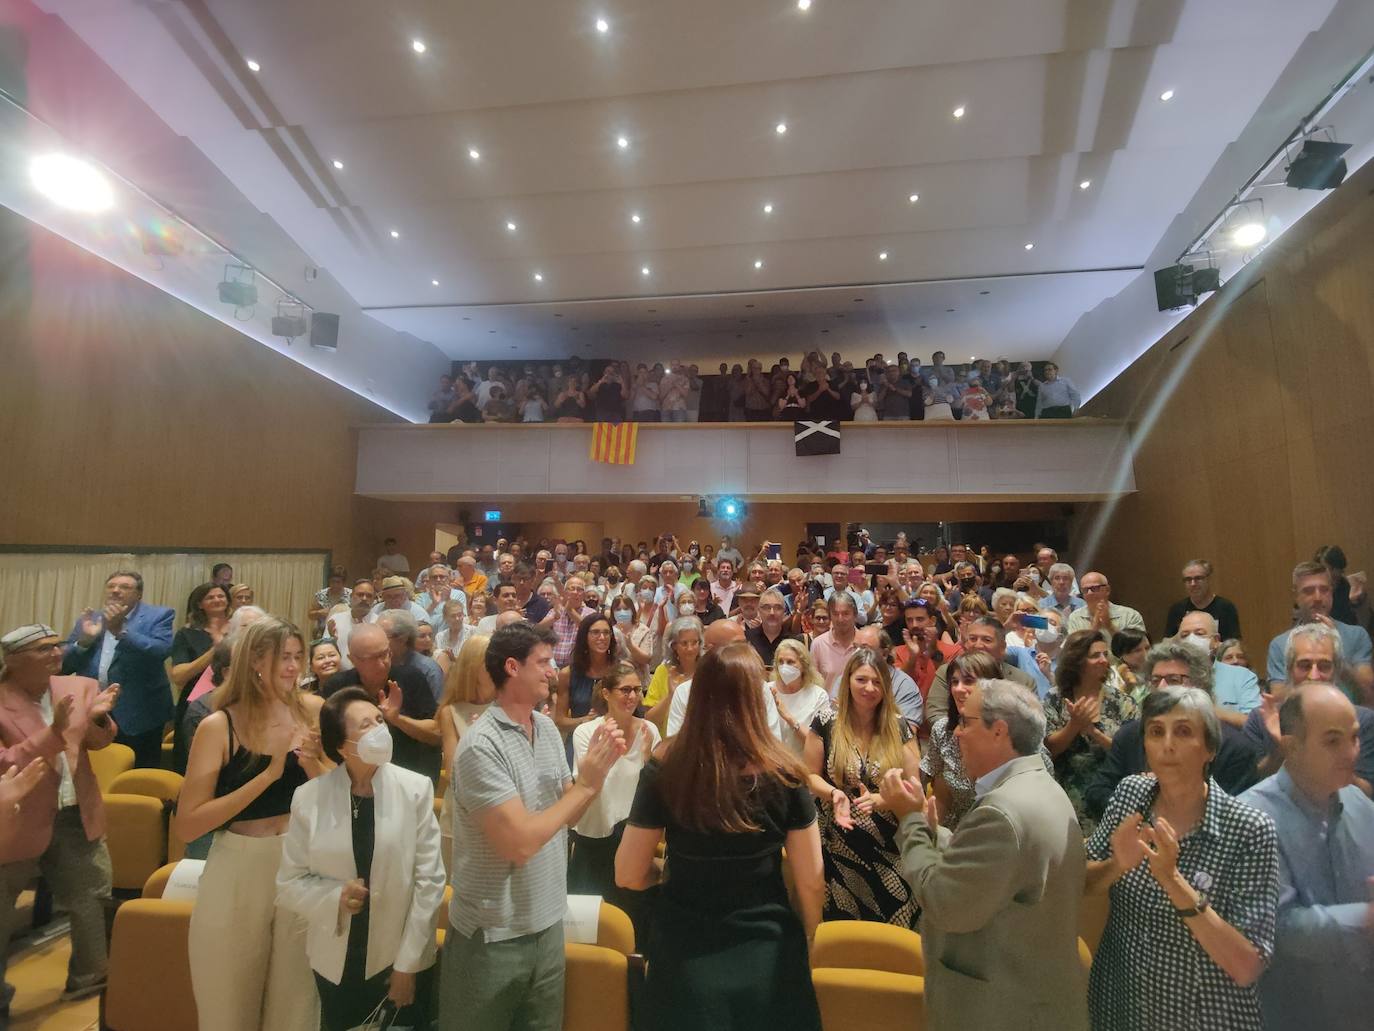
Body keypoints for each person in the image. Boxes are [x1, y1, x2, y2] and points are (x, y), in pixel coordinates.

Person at [615, 643, 824, 1031]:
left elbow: (627, 873)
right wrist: (811, 937)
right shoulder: (786, 772)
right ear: (756, 698)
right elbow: (811, 878)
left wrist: (668, 873)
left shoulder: (666, 765)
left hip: (683, 951)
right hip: (768, 952)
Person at [443, 623, 626, 1030]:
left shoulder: (544, 728)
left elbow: (569, 815)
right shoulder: (480, 747)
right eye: (543, 662)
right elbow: (520, 844)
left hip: (547, 922)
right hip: (493, 934)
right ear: (512, 667)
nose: (552, 671)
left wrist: (594, 775)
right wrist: (588, 784)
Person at [880, 678, 1087, 1031]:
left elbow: (943, 902)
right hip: (1032, 994)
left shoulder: (1002, 811)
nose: (957, 733)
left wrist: (910, 820)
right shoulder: (1040, 785)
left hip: (1001, 1009)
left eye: (966, 722)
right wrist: (936, 834)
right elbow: (995, 869)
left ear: (999, 731)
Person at [1084, 687, 1279, 1031]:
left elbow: (1247, 965)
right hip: (1121, 1005)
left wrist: (1173, 880)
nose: (1167, 745)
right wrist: (1117, 864)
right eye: (1156, 731)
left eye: (1184, 731)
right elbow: (1082, 884)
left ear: (1210, 749)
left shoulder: (1249, 828)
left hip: (1204, 1015)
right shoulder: (1130, 794)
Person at [176, 618, 325, 1031]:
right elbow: (188, 825)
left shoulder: (312, 711)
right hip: (240, 865)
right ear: (256, 661)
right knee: (228, 1003)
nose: (294, 667)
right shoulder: (218, 724)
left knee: (296, 1005)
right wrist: (268, 775)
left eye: (299, 656)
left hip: (301, 862)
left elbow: (339, 793)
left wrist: (316, 765)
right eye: (284, 658)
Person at [277, 687, 446, 1031]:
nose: (379, 729)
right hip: (336, 956)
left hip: (398, 953)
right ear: (341, 745)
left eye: (379, 720)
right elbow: (289, 882)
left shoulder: (415, 789)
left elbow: (430, 882)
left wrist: (408, 965)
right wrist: (334, 896)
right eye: (365, 725)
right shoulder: (309, 798)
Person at [1239, 683, 1374, 1029]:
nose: (1351, 753)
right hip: (1294, 1010)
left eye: (1355, 737)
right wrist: (1365, 919)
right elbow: (1276, 930)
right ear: (1291, 746)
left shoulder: (1359, 802)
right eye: (1332, 741)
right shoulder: (1252, 816)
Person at [0, 625, 120, 1009]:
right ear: (13, 660)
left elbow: (97, 742)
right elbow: (5, 763)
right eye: (42, 649)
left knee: (92, 896)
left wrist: (99, 719)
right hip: (16, 819)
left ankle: (90, 978)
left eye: (57, 646)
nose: (55, 654)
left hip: (74, 812)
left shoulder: (76, 686)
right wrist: (51, 733)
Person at [805, 648, 921, 927]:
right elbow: (809, 775)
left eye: (877, 682)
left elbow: (914, 783)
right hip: (837, 842)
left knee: (895, 925)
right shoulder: (825, 722)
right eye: (861, 680)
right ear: (848, 681)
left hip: (889, 843)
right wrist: (834, 793)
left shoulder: (898, 726)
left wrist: (882, 800)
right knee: (842, 926)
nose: (869, 688)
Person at [1084, 643, 1261, 819]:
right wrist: (1139, 804)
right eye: (1155, 680)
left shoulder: (1236, 748)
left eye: (1173, 680)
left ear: (1200, 685)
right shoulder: (1130, 734)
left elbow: (1235, 815)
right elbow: (1097, 791)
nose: (1161, 688)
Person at [569, 662, 660, 940]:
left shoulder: (649, 732)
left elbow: (656, 792)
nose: (632, 696)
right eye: (625, 690)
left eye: (637, 690)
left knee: (633, 927)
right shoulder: (587, 733)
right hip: (593, 839)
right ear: (606, 693)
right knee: (592, 931)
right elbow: (588, 784)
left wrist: (647, 762)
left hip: (633, 839)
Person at [1244, 623, 1374, 796]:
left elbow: (1367, 794)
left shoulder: (1362, 721)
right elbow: (1251, 784)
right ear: (1289, 670)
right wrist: (1283, 748)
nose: (1314, 676)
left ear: (1336, 672)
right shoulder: (1261, 719)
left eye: (1324, 666)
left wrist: (1339, 756)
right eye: (1304, 665)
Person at [60, 570, 174, 768]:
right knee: (94, 770)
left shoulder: (158, 616)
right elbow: (64, 666)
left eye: (124, 587)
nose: (116, 591)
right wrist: (84, 643)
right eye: (111, 586)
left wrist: (121, 631)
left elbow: (160, 652)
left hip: (140, 714)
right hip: (93, 711)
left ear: (139, 594)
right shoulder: (91, 619)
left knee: (140, 775)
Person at [1044, 630, 1138, 835]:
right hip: (1065, 798)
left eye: (1105, 654)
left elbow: (1130, 754)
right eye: (1095, 655)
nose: (1104, 660)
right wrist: (1074, 725)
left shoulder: (1122, 702)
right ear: (1076, 661)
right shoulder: (1055, 698)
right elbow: (1049, 751)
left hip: (1109, 798)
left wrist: (1092, 732)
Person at [323, 624, 440, 782]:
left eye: (385, 654)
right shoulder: (337, 687)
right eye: (371, 658)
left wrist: (397, 719)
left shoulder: (411, 678)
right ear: (352, 660)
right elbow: (329, 745)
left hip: (408, 778)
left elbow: (437, 734)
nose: (382, 663)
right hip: (354, 781)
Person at [1266, 561, 1373, 703]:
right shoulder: (1280, 644)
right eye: (1308, 591)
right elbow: (1278, 700)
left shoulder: (1356, 635)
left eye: (1324, 590)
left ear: (1332, 592)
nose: (1318, 597)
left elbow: (1368, 692)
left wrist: (1336, 648)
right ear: (1296, 596)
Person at [924, 616, 1037, 726]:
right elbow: (935, 714)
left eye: (986, 640)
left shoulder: (1023, 681)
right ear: (965, 644)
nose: (978, 645)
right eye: (972, 639)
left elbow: (1029, 724)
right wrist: (967, 731)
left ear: (1002, 647)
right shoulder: (947, 672)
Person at [1176, 611, 1261, 727]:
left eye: (1199, 633)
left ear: (1216, 641)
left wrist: (1209, 712)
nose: (1191, 639)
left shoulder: (1242, 677)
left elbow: (1256, 725)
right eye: (1184, 635)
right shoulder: (1169, 678)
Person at [555, 613, 621, 762]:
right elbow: (560, 720)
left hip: (617, 739)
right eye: (595, 632)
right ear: (584, 636)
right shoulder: (567, 674)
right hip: (580, 740)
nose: (602, 637)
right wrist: (585, 720)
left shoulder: (622, 671)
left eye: (606, 632)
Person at [768, 639, 831, 757]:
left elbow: (820, 745)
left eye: (790, 662)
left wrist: (790, 719)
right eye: (780, 662)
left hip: (803, 767)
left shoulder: (818, 696)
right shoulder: (767, 691)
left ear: (803, 665)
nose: (784, 667)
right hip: (772, 766)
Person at [643, 616, 702, 733]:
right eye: (684, 643)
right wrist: (671, 695)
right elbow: (650, 720)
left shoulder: (708, 670)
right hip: (669, 744)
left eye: (694, 642)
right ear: (674, 646)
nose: (690, 648)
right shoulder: (663, 671)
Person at [1165, 559, 1242, 640]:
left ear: (1208, 579)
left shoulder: (1226, 607)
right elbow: (1166, 642)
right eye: (1188, 579)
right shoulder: (1177, 609)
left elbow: (1234, 644)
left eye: (1198, 578)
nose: (1193, 584)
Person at [1065, 570, 1146, 643]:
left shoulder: (1130, 615)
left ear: (1107, 590)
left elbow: (1137, 648)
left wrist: (1109, 626)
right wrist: (1094, 628)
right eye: (1085, 590)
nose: (1089, 593)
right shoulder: (1075, 617)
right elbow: (1074, 651)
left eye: (1095, 588)